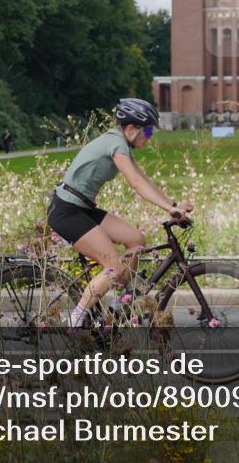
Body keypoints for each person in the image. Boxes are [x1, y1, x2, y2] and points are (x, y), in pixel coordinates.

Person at [46, 98, 193, 328]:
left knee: (135, 240)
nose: (150, 135)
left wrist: (173, 205)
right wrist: (170, 210)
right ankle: (75, 322)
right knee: (114, 267)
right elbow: (136, 184)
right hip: (66, 211)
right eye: (148, 130)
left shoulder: (122, 145)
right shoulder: (115, 144)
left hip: (82, 207)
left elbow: (145, 180)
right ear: (131, 128)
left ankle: (122, 304)